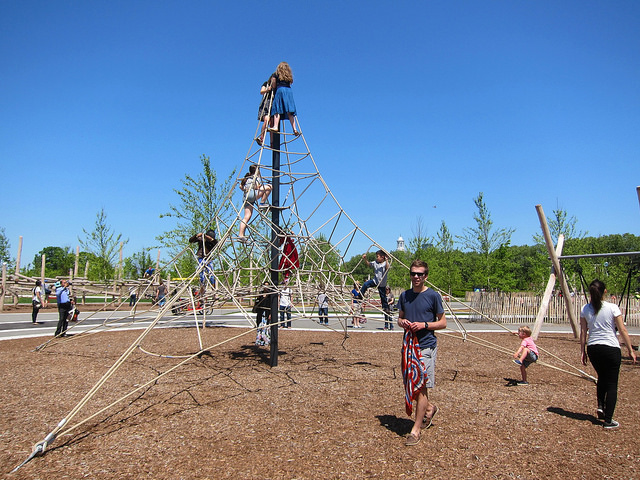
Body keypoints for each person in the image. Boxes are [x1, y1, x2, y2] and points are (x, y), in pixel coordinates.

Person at [397, 260, 447, 446]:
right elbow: (400, 318)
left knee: (421, 386)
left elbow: (442, 323)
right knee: (412, 383)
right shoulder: (405, 295)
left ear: (426, 276)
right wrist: (402, 322)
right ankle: (429, 409)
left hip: (426, 346)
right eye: (413, 273)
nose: (416, 277)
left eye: (420, 274)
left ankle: (415, 430)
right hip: (408, 346)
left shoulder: (433, 296)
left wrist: (424, 325)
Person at [580, 279, 637, 429]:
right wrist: (630, 350)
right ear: (604, 291)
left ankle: (600, 406)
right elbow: (622, 330)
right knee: (612, 384)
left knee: (602, 377)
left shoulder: (585, 309)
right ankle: (609, 420)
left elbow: (583, 332)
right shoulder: (612, 308)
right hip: (610, 348)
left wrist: (582, 351)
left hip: (593, 348)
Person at [238, 165, 273, 241]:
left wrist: (246, 188)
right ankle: (262, 203)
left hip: (246, 196)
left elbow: (240, 187)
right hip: (252, 194)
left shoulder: (247, 177)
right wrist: (260, 185)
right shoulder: (256, 177)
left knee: (247, 217)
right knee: (269, 187)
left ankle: (240, 235)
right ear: (257, 171)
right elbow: (257, 187)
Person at [268, 62, 299, 136]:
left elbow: (274, 84)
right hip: (288, 91)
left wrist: (272, 86)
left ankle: (275, 126)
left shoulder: (276, 74)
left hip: (280, 90)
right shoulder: (289, 76)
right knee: (290, 111)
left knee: (277, 108)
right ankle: (294, 129)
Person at [360, 250, 390, 316]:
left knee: (383, 297)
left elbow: (387, 268)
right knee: (365, 284)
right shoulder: (375, 262)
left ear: (382, 257)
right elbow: (369, 264)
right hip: (375, 281)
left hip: (382, 283)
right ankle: (360, 295)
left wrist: (387, 260)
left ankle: (386, 308)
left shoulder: (385, 263)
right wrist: (365, 259)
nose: (377, 258)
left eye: (378, 256)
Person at [256, 72, 276, 146]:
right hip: (266, 104)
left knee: (272, 124)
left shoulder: (277, 86)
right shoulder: (266, 84)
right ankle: (262, 138)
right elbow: (261, 91)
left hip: (273, 104)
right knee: (266, 120)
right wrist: (268, 89)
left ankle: (272, 142)